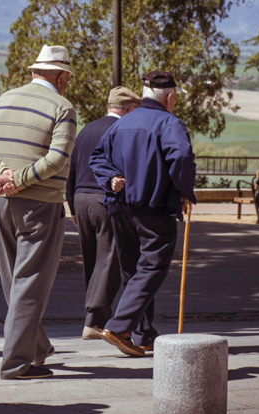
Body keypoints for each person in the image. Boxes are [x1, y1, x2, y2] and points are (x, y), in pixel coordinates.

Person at [0, 45, 76, 379]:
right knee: (30, 280)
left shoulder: (2, 100)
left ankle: (38, 346)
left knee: (12, 276)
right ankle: (16, 362)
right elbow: (58, 158)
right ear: (60, 76)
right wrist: (18, 179)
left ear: (35, 71)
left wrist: (3, 176)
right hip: (41, 201)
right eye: (67, 78)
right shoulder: (63, 106)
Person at [90, 70, 196, 357]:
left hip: (118, 204)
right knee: (152, 266)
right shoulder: (168, 122)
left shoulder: (124, 122)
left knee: (132, 269)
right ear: (170, 97)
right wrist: (185, 191)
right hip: (153, 206)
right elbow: (182, 157)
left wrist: (110, 177)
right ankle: (120, 327)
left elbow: (97, 156)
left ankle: (144, 334)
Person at [66, 86, 141, 340]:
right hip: (105, 198)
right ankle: (95, 321)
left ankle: (95, 315)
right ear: (130, 109)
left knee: (92, 260)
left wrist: (71, 204)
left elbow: (72, 167)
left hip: (80, 198)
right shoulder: (121, 130)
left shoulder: (87, 128)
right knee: (110, 259)